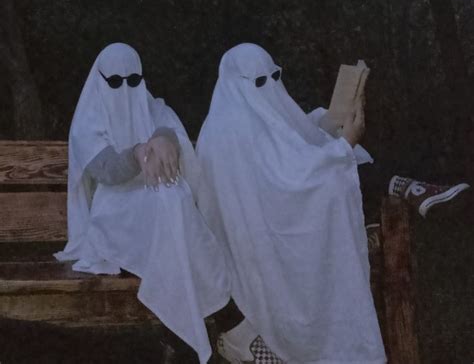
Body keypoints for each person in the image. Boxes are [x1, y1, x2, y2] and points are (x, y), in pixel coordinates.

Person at [195, 43, 386, 364]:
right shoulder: (231, 129)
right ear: (236, 83)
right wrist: (346, 145)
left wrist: (334, 124)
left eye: (275, 76)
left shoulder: (245, 115)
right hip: (255, 254)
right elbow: (296, 183)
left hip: (267, 241)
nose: (269, 86)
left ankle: (402, 185)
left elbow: (294, 146)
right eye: (259, 81)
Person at [54, 43, 230, 364]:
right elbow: (106, 170)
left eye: (134, 81)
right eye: (116, 82)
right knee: (171, 202)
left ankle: (182, 332)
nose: (126, 89)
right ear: (101, 79)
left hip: (151, 210)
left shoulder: (149, 107)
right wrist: (137, 152)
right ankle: (217, 324)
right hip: (111, 212)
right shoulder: (87, 123)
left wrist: (164, 137)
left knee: (171, 198)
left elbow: (166, 122)